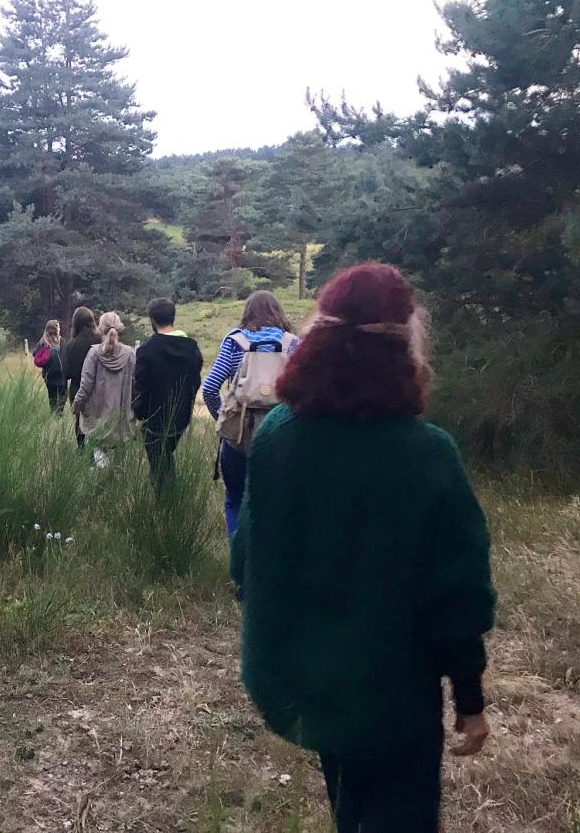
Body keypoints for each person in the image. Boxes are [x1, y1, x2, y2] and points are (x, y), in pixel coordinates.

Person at [231, 263, 496, 833]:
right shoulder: (426, 454)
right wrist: (468, 697)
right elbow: (457, 596)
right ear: (405, 345)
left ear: (320, 340)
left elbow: (245, 559)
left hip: (316, 688)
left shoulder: (278, 434)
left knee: (350, 808)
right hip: (395, 696)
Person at [201, 291, 300, 535]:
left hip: (239, 436)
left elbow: (211, 386)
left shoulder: (235, 341)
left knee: (235, 499)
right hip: (281, 436)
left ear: (247, 313)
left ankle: (239, 564)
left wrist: (223, 419)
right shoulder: (294, 344)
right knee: (275, 502)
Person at [132, 298, 203, 488]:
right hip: (181, 418)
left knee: (159, 468)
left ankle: (166, 506)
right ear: (173, 317)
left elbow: (141, 387)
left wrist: (139, 413)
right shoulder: (192, 349)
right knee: (164, 460)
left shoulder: (146, 351)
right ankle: (167, 500)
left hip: (154, 420)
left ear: (152, 320)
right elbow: (196, 382)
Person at [72, 311, 135, 469]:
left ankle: (100, 481)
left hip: (97, 416)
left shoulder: (93, 353)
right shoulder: (130, 354)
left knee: (99, 459)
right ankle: (117, 485)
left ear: (100, 328)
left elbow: (85, 385)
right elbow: (136, 384)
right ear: (119, 328)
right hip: (121, 416)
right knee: (120, 467)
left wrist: (77, 404)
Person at [63, 307, 101, 447]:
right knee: (97, 422)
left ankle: (81, 451)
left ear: (76, 323)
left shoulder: (71, 345)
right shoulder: (101, 341)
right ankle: (97, 453)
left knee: (80, 422)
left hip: (77, 388)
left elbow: (66, 373)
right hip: (99, 388)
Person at [32, 319, 67, 412]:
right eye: (58, 326)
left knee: (52, 397)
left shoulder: (42, 342)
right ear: (56, 329)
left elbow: (34, 353)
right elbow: (65, 356)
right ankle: (59, 415)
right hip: (61, 376)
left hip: (48, 376)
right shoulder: (61, 341)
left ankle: (53, 414)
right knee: (62, 397)